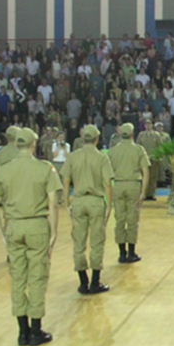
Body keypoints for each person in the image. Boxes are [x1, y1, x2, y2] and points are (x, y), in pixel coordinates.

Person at [0, 128, 61, 346]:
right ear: (33, 145)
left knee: (18, 278)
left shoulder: (5, 170)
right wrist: (54, 231)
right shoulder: (44, 168)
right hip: (37, 225)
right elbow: (53, 203)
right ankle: (36, 330)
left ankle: (22, 331)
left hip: (13, 226)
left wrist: (2, 232)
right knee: (37, 277)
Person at [61, 124, 114, 295]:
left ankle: (83, 281)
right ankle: (95, 281)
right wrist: (109, 205)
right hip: (96, 201)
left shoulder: (72, 157)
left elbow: (66, 180)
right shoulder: (101, 158)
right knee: (97, 242)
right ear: (97, 139)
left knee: (78, 242)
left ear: (82, 139)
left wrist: (66, 202)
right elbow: (107, 183)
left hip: (78, 201)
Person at [108, 122, 150, 263]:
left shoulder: (112, 151)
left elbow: (107, 173)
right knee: (132, 219)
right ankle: (131, 252)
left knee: (119, 219)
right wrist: (143, 191)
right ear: (133, 134)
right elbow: (145, 171)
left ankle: (121, 252)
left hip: (118, 185)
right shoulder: (138, 150)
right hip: (133, 185)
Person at [138, 122, 165, 201]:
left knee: (153, 177)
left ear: (152, 125)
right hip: (143, 159)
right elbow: (138, 147)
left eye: (149, 124)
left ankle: (152, 194)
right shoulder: (141, 135)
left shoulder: (156, 135)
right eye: (146, 124)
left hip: (154, 158)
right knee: (144, 177)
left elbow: (160, 146)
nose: (148, 126)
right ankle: (144, 194)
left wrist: (159, 158)